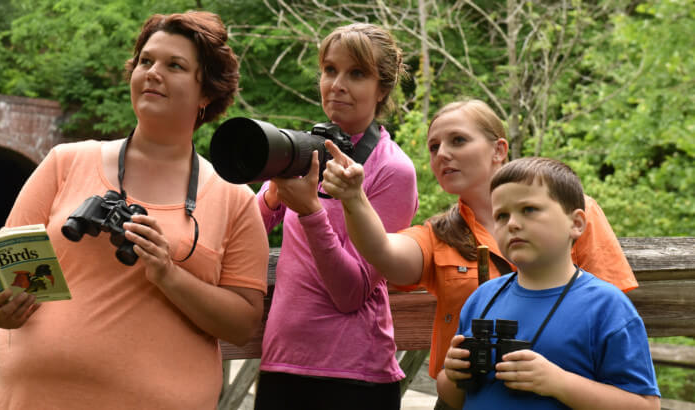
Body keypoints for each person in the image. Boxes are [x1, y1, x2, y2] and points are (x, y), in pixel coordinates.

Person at [0, 11, 269, 409]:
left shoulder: (234, 200)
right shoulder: (65, 163)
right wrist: (2, 307)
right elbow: (7, 268)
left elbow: (242, 324)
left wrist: (169, 274)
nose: (152, 72)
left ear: (206, 93)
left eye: (175, 66)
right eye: (146, 61)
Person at [321, 98, 638, 385]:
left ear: (499, 150)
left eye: (458, 140)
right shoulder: (439, 235)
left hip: (564, 392)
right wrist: (354, 198)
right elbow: (383, 252)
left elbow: (613, 314)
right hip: (467, 396)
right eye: (434, 147)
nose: (443, 153)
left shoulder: (570, 211)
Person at [253, 23, 418, 410]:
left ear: (382, 89)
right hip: (282, 364)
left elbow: (351, 293)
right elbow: (245, 233)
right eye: (330, 69)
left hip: (355, 376)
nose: (337, 84)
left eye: (356, 73)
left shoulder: (392, 169)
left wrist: (311, 211)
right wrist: (275, 195)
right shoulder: (301, 151)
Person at [437, 157, 660, 409]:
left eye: (529, 209)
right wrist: (454, 376)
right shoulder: (483, 298)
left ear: (576, 224)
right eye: (501, 215)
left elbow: (646, 405)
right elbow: (453, 397)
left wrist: (559, 383)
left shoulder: (605, 306)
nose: (513, 224)